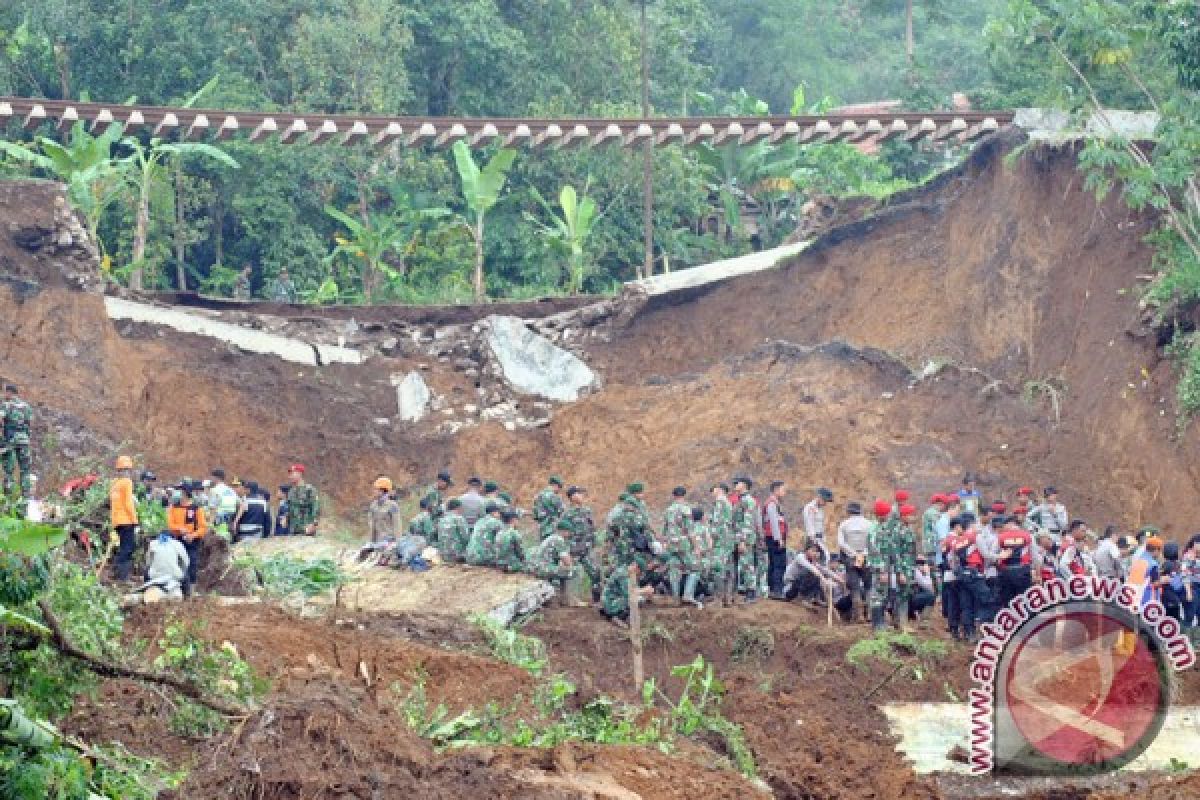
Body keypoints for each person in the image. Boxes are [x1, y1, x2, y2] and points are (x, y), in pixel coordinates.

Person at [867, 500, 916, 631]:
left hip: (887, 567)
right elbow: (875, 552)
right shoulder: (875, 530)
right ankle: (877, 625)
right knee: (878, 595)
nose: (889, 516)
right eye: (887, 514)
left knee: (884, 594)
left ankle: (882, 623)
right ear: (881, 515)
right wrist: (882, 570)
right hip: (880, 568)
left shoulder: (884, 528)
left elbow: (891, 550)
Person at [167, 484, 207, 595]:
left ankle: (191, 591)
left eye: (180, 492)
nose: (178, 494)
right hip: (177, 540)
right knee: (176, 563)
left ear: (186, 494)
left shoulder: (196, 509)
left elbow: (203, 528)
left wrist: (193, 535)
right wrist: (180, 529)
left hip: (192, 541)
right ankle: (176, 589)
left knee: (191, 564)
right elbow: (170, 525)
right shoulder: (174, 508)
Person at [561, 486, 599, 604]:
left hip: (587, 550)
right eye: (579, 494)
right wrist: (567, 551)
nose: (582, 496)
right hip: (574, 550)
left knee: (595, 573)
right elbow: (563, 533)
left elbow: (592, 529)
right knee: (572, 575)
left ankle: (597, 599)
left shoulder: (587, 511)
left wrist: (594, 543)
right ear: (573, 496)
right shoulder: (567, 514)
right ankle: (571, 600)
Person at [837, 501, 874, 620]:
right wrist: (863, 553)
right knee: (869, 586)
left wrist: (853, 553)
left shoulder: (844, 524)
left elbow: (841, 543)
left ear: (849, 512)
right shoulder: (869, 524)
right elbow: (873, 542)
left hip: (850, 557)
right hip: (867, 557)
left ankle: (859, 615)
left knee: (855, 587)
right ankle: (869, 613)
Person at [783, 540, 845, 605]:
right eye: (813, 551)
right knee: (815, 575)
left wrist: (840, 580)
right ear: (806, 550)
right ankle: (800, 598)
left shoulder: (812, 562)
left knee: (817, 575)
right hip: (790, 587)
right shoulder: (800, 557)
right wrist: (823, 579)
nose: (814, 553)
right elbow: (812, 568)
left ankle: (809, 599)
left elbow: (825, 570)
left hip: (797, 586)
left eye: (816, 551)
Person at [528, 519, 575, 602]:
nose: (569, 534)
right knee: (572, 571)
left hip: (538, 567)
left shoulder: (551, 537)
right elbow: (567, 562)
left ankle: (560, 598)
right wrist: (570, 564)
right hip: (542, 568)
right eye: (568, 531)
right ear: (563, 531)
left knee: (561, 569)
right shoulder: (558, 540)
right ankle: (567, 599)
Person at [731, 476, 762, 603]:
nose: (735, 485)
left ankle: (751, 593)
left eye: (737, 483)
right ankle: (739, 592)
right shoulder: (741, 500)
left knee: (747, 565)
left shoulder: (748, 500)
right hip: (738, 537)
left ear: (744, 485)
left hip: (745, 538)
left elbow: (748, 522)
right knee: (740, 565)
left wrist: (743, 541)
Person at [109, 455, 140, 582]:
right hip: (126, 520)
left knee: (122, 547)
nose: (128, 473)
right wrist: (135, 520)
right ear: (126, 470)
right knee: (128, 548)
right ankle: (123, 577)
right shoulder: (127, 482)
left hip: (117, 521)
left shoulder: (114, 483)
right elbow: (128, 503)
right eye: (127, 470)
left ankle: (117, 574)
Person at [995, 514, 1034, 609]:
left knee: (1008, 601)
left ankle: (1011, 622)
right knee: (1024, 600)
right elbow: (1035, 555)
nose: (1004, 527)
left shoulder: (1000, 537)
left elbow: (996, 555)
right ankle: (1026, 622)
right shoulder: (1027, 535)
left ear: (1010, 524)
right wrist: (1036, 571)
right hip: (1023, 571)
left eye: (1005, 525)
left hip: (1006, 572)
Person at [600, 560, 654, 627]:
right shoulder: (622, 574)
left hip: (613, 600)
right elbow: (629, 593)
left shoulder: (627, 572)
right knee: (637, 600)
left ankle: (612, 614)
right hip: (609, 601)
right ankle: (617, 617)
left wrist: (645, 592)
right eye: (639, 572)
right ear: (636, 567)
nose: (638, 575)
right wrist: (645, 590)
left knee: (640, 598)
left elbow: (634, 588)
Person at [2, 384, 34, 495]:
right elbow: (30, 424)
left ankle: (7, 500)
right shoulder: (26, 407)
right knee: (25, 470)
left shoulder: (6, 405)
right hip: (24, 441)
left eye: (5, 392)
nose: (4, 394)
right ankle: (26, 497)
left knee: (8, 471)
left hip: (10, 441)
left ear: (9, 392)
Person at [663, 487, 693, 605]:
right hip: (683, 544)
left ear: (674, 496)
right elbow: (690, 530)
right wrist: (695, 546)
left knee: (674, 569)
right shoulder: (686, 509)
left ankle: (675, 598)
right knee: (694, 569)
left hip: (671, 544)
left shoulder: (668, 510)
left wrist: (665, 543)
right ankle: (687, 594)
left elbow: (665, 530)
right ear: (684, 495)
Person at [763, 481, 793, 597]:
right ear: (776, 490)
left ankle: (772, 590)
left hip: (773, 537)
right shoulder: (772, 503)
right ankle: (777, 591)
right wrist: (779, 538)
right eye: (783, 489)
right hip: (775, 538)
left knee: (773, 563)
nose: (784, 492)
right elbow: (774, 522)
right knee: (779, 564)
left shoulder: (774, 503)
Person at [709, 483, 736, 606]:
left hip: (720, 540)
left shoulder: (719, 502)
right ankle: (728, 598)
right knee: (729, 569)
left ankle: (718, 600)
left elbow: (716, 522)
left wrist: (712, 540)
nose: (712, 492)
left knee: (718, 568)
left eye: (713, 489)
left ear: (719, 490)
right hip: (729, 539)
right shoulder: (728, 502)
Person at [143, 530, 190, 599]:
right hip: (174, 575)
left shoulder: (153, 543)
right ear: (172, 537)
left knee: (146, 571)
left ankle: (146, 589)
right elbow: (186, 562)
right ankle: (187, 595)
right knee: (186, 574)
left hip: (155, 576)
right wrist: (180, 567)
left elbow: (148, 562)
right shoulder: (177, 543)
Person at [286, 464, 320, 536]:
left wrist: (313, 524)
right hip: (293, 531)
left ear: (299, 474)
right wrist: (286, 518)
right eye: (289, 474)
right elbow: (290, 509)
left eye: (292, 473)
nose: (290, 476)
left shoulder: (309, 490)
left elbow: (315, 508)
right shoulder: (291, 491)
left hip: (306, 530)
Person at [367, 477, 402, 544]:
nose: (374, 491)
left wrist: (397, 543)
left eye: (376, 489)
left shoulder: (393, 506)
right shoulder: (373, 506)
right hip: (377, 542)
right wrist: (370, 543)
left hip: (389, 543)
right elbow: (372, 527)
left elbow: (397, 526)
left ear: (383, 490)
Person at [437, 498, 471, 563]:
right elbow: (466, 538)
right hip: (456, 555)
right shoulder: (459, 519)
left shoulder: (441, 520)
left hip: (443, 555)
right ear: (458, 508)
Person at [909, 558, 937, 625]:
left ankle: (919, 615)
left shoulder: (918, 572)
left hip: (911, 599)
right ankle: (924, 619)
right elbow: (928, 586)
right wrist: (927, 573)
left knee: (927, 594)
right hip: (910, 600)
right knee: (930, 596)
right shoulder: (917, 572)